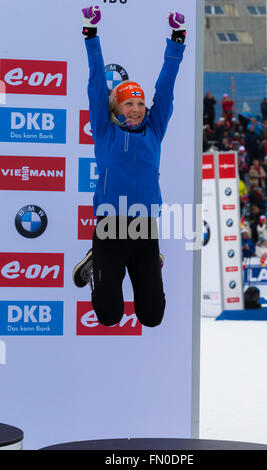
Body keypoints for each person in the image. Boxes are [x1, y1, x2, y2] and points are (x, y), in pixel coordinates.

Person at [72, 7, 186, 328]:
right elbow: (97, 83)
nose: (136, 109)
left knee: (152, 317)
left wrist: (176, 43)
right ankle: (97, 265)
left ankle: (148, 261)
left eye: (139, 103)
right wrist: (91, 35)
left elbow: (166, 88)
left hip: (145, 229)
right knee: (109, 316)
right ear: (115, 108)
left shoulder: (154, 130)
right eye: (128, 103)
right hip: (109, 229)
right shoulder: (105, 132)